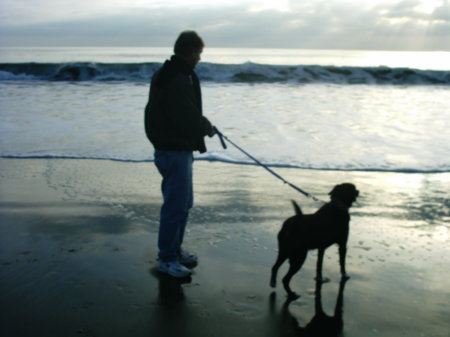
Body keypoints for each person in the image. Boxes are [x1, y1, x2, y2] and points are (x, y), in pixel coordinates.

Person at [144, 31, 215, 278]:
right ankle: (166, 258)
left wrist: (202, 126)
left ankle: (174, 250)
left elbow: (182, 113)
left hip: (175, 148)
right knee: (176, 205)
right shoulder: (175, 78)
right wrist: (206, 126)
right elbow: (185, 114)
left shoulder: (170, 73)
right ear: (190, 51)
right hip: (172, 149)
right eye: (198, 53)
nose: (199, 59)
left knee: (183, 203)